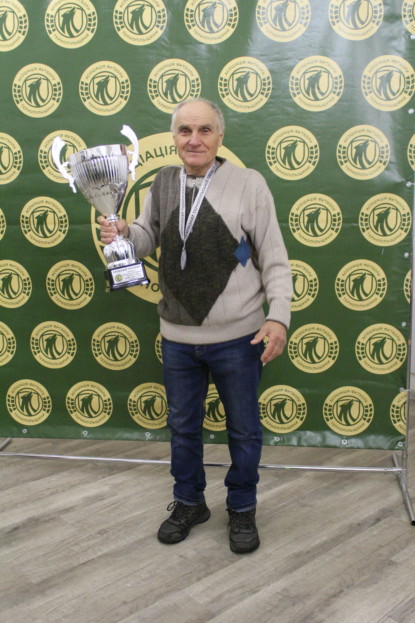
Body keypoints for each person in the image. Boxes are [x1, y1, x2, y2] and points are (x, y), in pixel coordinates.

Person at [98, 98, 292, 554]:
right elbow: (148, 237)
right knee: (183, 428)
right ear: (174, 137)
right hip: (178, 337)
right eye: (185, 130)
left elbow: (274, 256)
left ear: (220, 136)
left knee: (243, 430)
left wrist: (278, 316)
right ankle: (189, 502)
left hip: (240, 337)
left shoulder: (248, 183)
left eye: (204, 130)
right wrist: (124, 234)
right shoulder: (163, 182)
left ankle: (242, 507)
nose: (194, 139)